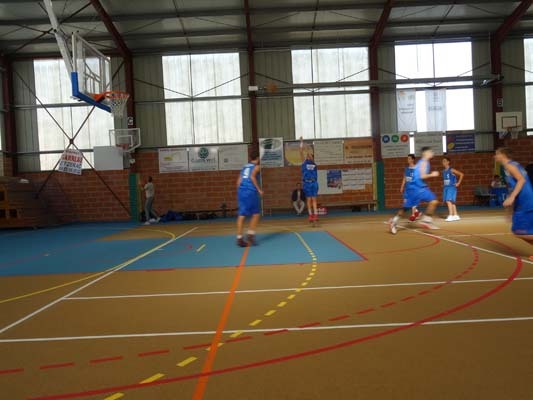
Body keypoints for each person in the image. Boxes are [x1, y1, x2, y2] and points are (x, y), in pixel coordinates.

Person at [494, 147, 533, 251]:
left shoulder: (510, 165)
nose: (495, 156)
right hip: (523, 201)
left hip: (525, 201)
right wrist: (510, 211)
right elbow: (513, 188)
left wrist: (511, 198)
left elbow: (521, 180)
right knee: (519, 231)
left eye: (497, 154)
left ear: (503, 155)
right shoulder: (512, 165)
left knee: (518, 231)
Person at [236, 151, 263, 247]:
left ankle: (239, 238)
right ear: (258, 158)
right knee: (256, 214)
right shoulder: (257, 167)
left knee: (241, 215)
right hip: (250, 192)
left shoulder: (245, 167)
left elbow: (238, 181)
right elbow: (252, 177)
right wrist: (259, 190)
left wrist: (240, 192)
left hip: (241, 191)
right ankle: (250, 235)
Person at [411, 146, 440, 230]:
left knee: (433, 201)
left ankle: (427, 220)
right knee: (434, 201)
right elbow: (422, 176)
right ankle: (426, 221)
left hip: (420, 187)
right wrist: (432, 174)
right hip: (419, 187)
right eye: (430, 151)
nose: (432, 153)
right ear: (425, 153)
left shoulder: (424, 162)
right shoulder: (423, 162)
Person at [389, 154, 419, 234]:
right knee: (406, 207)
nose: (408, 160)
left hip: (414, 191)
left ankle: (414, 213)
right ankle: (394, 221)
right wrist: (402, 186)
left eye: (409, 159)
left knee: (407, 207)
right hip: (407, 191)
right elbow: (404, 178)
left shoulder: (417, 169)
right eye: (407, 159)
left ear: (413, 160)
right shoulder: (406, 169)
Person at [299, 136, 319, 223]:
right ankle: (310, 215)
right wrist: (302, 142)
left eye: (310, 155)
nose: (308, 156)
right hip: (306, 183)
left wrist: (308, 149)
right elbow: (301, 151)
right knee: (309, 200)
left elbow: (309, 154)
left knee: (314, 199)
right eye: (307, 155)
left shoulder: (314, 163)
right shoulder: (304, 163)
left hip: (314, 183)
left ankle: (316, 214)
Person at [442, 156, 464, 222]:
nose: (443, 162)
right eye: (443, 161)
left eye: (445, 161)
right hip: (446, 187)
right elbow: (446, 180)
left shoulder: (451, 170)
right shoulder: (443, 171)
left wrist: (458, 183)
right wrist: (444, 184)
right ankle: (456, 215)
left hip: (451, 187)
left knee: (448, 200)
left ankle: (450, 215)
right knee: (452, 201)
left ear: (448, 162)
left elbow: (461, 174)